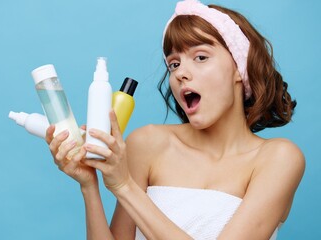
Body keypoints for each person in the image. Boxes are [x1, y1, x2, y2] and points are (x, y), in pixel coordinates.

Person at [45, 0, 305, 239]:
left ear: (240, 68)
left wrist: (124, 186)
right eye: (174, 64)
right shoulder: (147, 143)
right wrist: (89, 186)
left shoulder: (279, 159)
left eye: (200, 57)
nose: (181, 73)